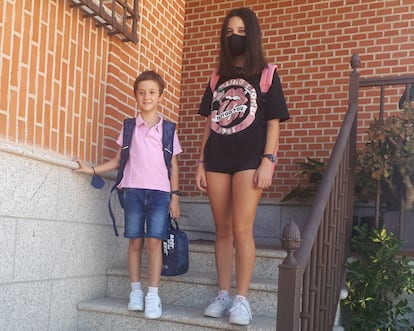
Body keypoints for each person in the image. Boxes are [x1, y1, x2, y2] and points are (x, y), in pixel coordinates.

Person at [195, 7, 289, 326]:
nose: (233, 37)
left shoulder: (266, 73)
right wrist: (200, 161)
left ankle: (242, 299)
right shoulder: (217, 77)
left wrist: (268, 161)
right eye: (228, 31)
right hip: (218, 157)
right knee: (221, 229)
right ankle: (223, 294)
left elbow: (274, 124)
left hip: (251, 159)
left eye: (240, 31)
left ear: (252, 34)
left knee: (240, 229)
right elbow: (210, 123)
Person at [75, 70, 182, 319]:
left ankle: (153, 295)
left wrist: (175, 197)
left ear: (160, 96)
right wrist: (90, 169)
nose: (146, 96)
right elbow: (117, 160)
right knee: (135, 242)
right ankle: (135, 291)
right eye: (142, 92)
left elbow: (174, 166)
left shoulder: (168, 130)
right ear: (135, 95)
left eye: (152, 92)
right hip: (133, 191)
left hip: (160, 195)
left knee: (154, 243)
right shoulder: (129, 127)